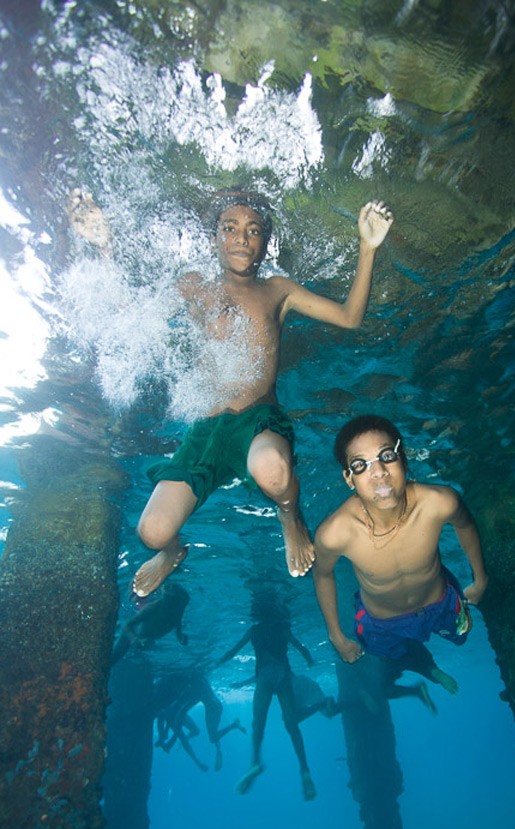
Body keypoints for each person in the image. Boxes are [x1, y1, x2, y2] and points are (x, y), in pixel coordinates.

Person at [67, 187, 393, 595]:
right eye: (230, 228)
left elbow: (349, 317)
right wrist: (105, 247)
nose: (242, 237)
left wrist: (367, 247)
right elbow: (131, 317)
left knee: (273, 471)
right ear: (214, 239)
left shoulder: (278, 290)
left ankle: (290, 516)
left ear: (264, 244)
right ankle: (171, 553)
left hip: (259, 420)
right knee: (151, 530)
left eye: (253, 230)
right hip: (206, 430)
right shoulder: (193, 286)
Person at [312, 415, 488, 685]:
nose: (379, 471)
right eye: (360, 465)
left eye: (387, 456)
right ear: (349, 479)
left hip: (440, 602)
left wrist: (480, 578)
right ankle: (426, 668)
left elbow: (465, 525)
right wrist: (336, 635)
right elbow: (323, 574)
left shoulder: (440, 502)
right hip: (380, 622)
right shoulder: (335, 533)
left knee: (462, 637)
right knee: (388, 656)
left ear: (403, 459)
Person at [214, 593, 319, 800]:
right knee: (291, 725)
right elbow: (300, 646)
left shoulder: (254, 630)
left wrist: (220, 661)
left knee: (257, 724)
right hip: (282, 674)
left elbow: (233, 651)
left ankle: (255, 762)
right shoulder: (282, 628)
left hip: (263, 677)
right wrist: (309, 659)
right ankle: (304, 770)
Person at [154, 670, 245, 772]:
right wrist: (167, 736)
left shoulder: (193, 690)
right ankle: (221, 742)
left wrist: (169, 738)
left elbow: (181, 711)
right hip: (215, 706)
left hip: (213, 709)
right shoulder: (200, 682)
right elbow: (179, 713)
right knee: (210, 734)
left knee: (213, 737)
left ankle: (233, 726)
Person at [111, 582, 190, 663]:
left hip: (146, 639)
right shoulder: (153, 608)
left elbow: (178, 626)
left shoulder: (177, 612)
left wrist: (180, 637)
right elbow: (127, 625)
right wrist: (134, 639)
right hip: (133, 635)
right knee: (113, 658)